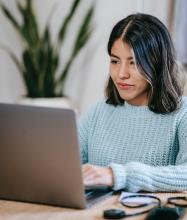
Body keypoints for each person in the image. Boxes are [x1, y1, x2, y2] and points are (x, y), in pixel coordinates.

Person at [79, 13, 187, 192]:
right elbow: (65, 166)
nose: (121, 74)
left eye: (134, 63)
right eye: (115, 61)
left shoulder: (182, 113)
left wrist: (118, 175)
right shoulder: (98, 112)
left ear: (157, 64)